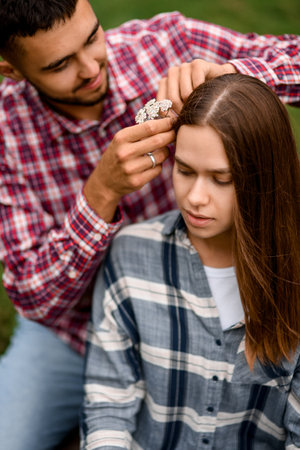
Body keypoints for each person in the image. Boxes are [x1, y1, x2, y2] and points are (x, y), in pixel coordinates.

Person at [0, 0, 299, 448]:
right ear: (11, 70)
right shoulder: (6, 132)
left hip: (203, 298)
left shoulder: (165, 45)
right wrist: (100, 194)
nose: (90, 68)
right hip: (75, 329)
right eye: (60, 64)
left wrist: (234, 79)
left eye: (92, 37)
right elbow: (35, 298)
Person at [82, 73, 300, 450]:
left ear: (265, 178)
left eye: (222, 178)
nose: (196, 197)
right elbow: (107, 407)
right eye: (184, 171)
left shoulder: (292, 273)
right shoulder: (131, 256)